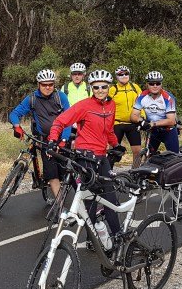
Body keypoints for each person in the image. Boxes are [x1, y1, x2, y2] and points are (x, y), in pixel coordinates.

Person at [48, 69, 126, 247]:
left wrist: (115, 145)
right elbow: (60, 121)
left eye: (103, 87)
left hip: (102, 157)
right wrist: (53, 139)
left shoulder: (111, 106)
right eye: (96, 87)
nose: (100, 90)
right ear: (91, 87)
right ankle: (94, 238)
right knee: (90, 200)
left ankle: (117, 237)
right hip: (85, 159)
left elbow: (108, 131)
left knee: (110, 199)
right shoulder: (84, 105)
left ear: (109, 87)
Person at [8, 69, 70, 198]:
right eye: (44, 84)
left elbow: (68, 119)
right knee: (53, 175)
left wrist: (64, 139)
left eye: (50, 84)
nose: (47, 87)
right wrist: (16, 125)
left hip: (61, 139)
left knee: (64, 172)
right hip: (45, 141)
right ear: (38, 84)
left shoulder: (60, 96)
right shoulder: (32, 99)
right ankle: (59, 208)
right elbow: (15, 113)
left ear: (54, 84)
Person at [130, 71, 178, 166]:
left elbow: (171, 121)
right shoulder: (142, 96)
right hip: (153, 131)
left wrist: (154, 123)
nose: (155, 86)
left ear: (161, 84)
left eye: (158, 83)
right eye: (151, 83)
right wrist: (142, 121)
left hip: (168, 130)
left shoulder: (168, 98)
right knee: (149, 156)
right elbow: (133, 116)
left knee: (174, 159)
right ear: (147, 85)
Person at [110, 65, 142, 166]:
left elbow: (142, 103)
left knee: (137, 151)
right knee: (112, 150)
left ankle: (136, 171)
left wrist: (143, 117)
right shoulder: (113, 89)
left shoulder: (135, 87)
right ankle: (108, 171)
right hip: (117, 123)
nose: (124, 76)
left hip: (133, 123)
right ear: (116, 76)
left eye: (126, 73)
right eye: (121, 74)